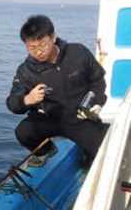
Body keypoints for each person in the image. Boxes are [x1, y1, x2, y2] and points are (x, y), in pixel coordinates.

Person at [6, 14, 109, 167]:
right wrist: (27, 99)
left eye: (42, 45)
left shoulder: (78, 52)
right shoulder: (26, 71)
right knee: (23, 132)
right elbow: (12, 103)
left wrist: (97, 102)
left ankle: (88, 159)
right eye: (32, 48)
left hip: (80, 119)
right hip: (49, 119)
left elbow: (97, 80)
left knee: (103, 155)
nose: (38, 52)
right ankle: (46, 151)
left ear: (53, 37)